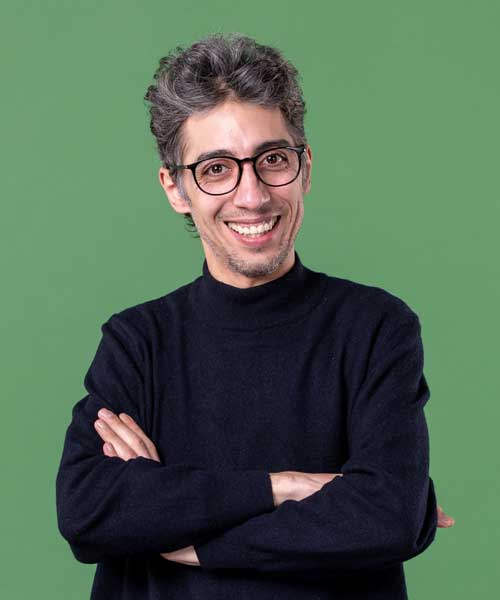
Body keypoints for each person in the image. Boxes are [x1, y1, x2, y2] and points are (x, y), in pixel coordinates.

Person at [55, 33, 454, 599]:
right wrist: (281, 486)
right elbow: (89, 510)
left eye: (272, 160)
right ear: (176, 188)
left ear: (305, 167)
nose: (252, 196)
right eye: (217, 168)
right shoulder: (138, 341)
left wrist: (198, 537)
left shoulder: (375, 327)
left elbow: (388, 513)